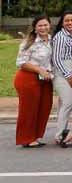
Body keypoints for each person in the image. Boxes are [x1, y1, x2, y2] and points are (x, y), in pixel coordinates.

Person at [14, 15, 54, 148]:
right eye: (40, 26)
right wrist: (39, 70)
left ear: (50, 25)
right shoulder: (28, 42)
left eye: (45, 25)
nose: (43, 28)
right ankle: (26, 138)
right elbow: (21, 63)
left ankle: (36, 136)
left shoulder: (52, 40)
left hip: (45, 79)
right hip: (28, 78)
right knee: (28, 109)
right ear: (35, 28)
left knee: (44, 107)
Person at [50, 10, 72, 146]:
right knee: (69, 102)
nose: (70, 22)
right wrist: (67, 75)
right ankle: (59, 134)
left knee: (64, 104)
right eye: (67, 20)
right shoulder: (60, 36)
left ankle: (62, 131)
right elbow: (56, 58)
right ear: (62, 22)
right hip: (62, 73)